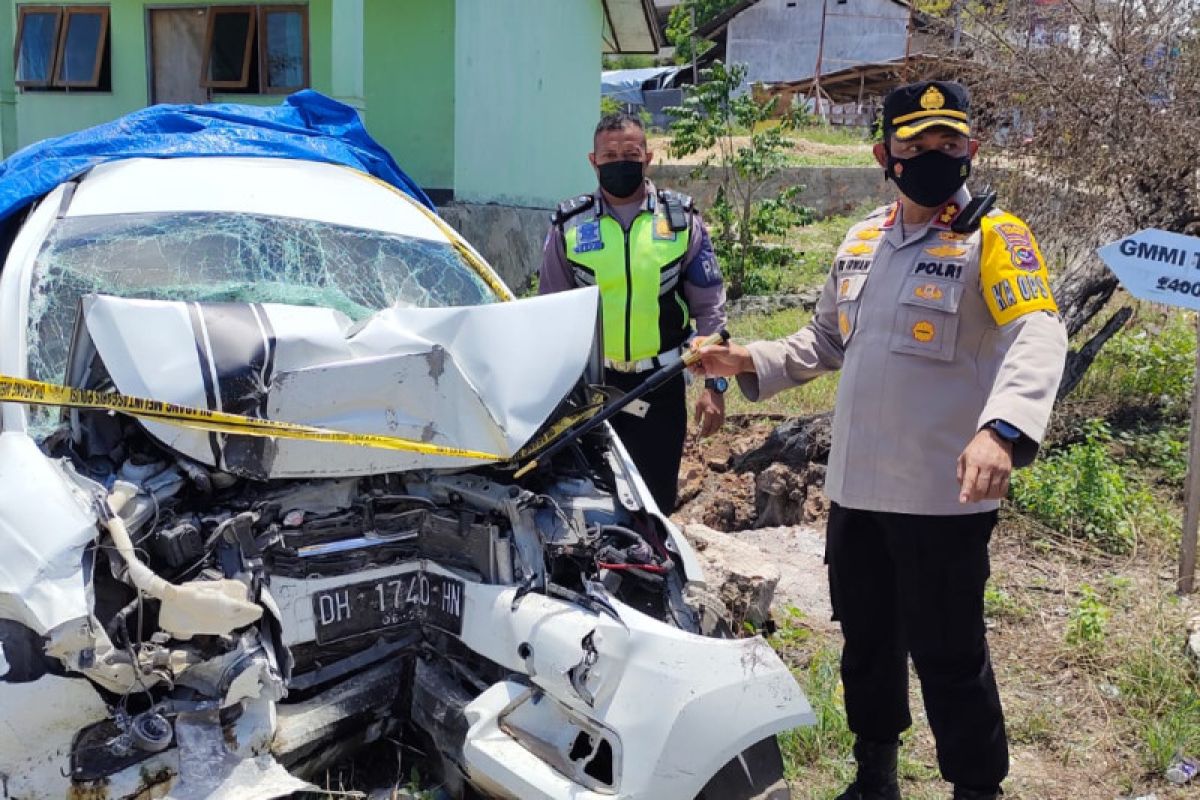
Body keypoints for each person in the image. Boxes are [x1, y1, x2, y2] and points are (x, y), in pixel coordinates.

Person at [693, 81, 1068, 800]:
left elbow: (1037, 332)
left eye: (948, 144)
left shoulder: (995, 237)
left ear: (972, 150)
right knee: (867, 646)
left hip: (939, 498)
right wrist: (747, 360)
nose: (934, 156)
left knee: (950, 655)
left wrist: (1002, 428)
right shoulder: (862, 237)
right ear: (883, 156)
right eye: (916, 145)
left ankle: (975, 788)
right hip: (857, 492)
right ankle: (875, 779)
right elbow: (826, 341)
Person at [539, 112, 727, 512]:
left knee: (654, 506)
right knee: (590, 507)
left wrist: (715, 389)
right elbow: (548, 316)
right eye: (610, 154)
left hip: (661, 386)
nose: (620, 161)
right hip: (591, 389)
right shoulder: (569, 226)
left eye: (630, 152)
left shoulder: (680, 222)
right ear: (593, 161)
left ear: (648, 158)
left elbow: (710, 312)